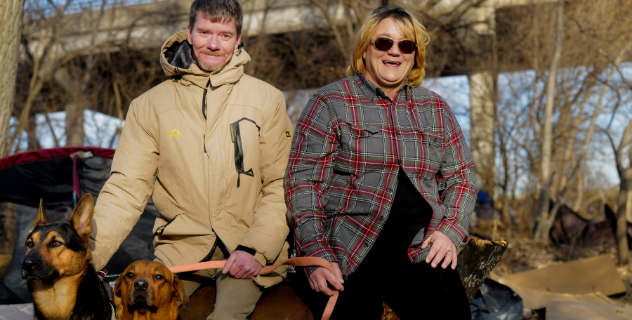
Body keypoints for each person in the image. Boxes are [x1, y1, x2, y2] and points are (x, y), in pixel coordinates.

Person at [90, 0, 293, 319]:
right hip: (179, 251)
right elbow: (126, 191)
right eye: (204, 32)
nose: (214, 43)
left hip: (247, 248)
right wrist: (88, 255)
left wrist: (256, 248)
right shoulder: (148, 106)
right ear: (188, 32)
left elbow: (280, 184)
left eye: (225, 35)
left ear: (238, 39)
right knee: (141, 313)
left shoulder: (266, 100)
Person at [284, 5, 479, 319]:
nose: (394, 52)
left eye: (405, 45)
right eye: (383, 42)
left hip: (420, 252)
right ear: (365, 49)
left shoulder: (434, 108)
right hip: (350, 253)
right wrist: (316, 254)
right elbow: (303, 184)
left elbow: (463, 177)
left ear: (415, 55)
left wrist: (450, 231)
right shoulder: (330, 103)